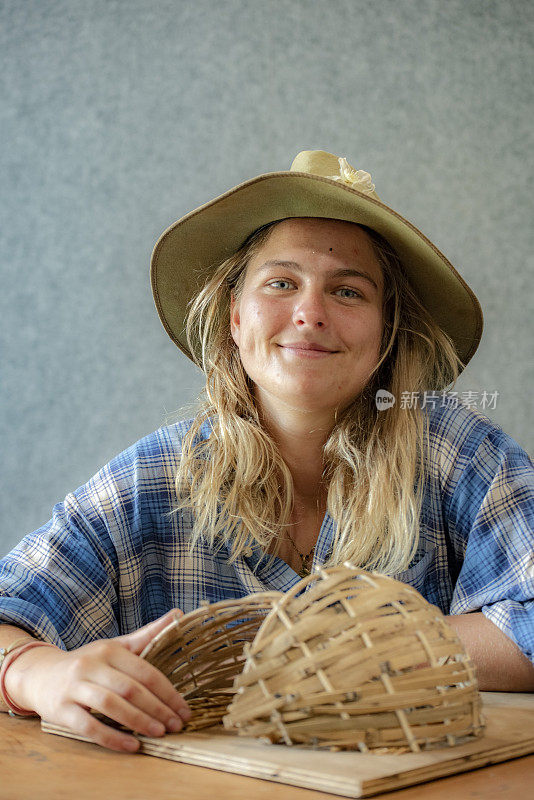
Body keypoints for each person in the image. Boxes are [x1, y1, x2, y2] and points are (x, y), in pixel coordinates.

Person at [1, 150, 533, 755]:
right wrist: (36, 675)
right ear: (234, 317)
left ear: (385, 332)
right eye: (282, 283)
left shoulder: (459, 457)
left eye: (349, 291)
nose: (310, 313)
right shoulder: (154, 481)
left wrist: (340, 643)